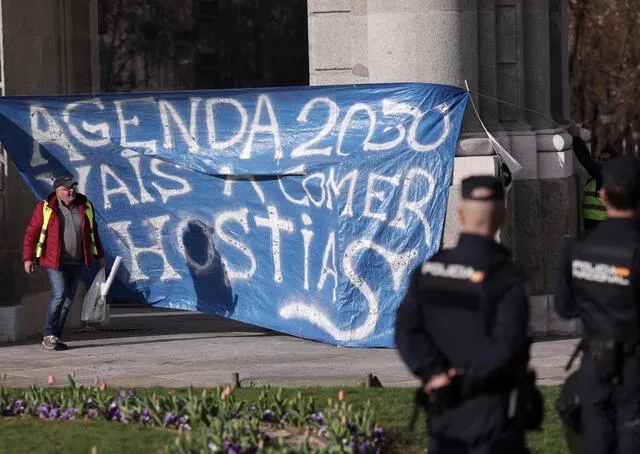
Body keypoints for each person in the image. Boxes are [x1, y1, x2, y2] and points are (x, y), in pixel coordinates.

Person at [395, 175, 534, 454]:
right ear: (503, 216)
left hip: (443, 406)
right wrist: (464, 378)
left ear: (460, 214)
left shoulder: (430, 270)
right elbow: (506, 344)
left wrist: (436, 375)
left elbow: (406, 330)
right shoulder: (507, 278)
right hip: (490, 409)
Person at [553, 153, 640, 454]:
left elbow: (564, 308)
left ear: (602, 194)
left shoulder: (577, 247)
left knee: (595, 436)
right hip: (633, 364)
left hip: (594, 359)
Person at [23, 175, 105, 351]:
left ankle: (54, 336)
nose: (72, 190)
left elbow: (93, 233)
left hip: (76, 261)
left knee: (68, 300)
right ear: (57, 191)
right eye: (67, 188)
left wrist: (100, 255)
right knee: (59, 295)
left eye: (73, 186)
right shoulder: (45, 208)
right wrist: (28, 258)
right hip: (54, 261)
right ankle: (48, 334)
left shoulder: (85, 206)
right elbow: (31, 234)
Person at [569, 124, 617, 231]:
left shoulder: (607, 175)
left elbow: (586, 160)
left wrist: (576, 138)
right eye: (600, 159)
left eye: (606, 160)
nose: (601, 162)